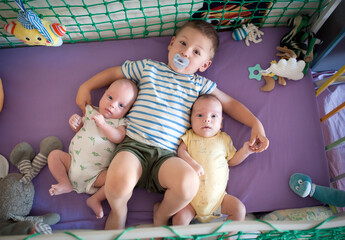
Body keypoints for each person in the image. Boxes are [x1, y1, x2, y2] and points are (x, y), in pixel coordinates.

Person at [75, 20, 269, 230]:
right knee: (117, 184)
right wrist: (87, 86)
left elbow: (229, 103)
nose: (185, 53)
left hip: (167, 156)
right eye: (183, 44)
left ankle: (162, 212)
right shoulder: (149, 68)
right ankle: (119, 210)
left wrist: (255, 124)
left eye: (196, 52)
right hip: (133, 146)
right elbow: (115, 73)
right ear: (171, 44)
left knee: (189, 184)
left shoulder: (199, 85)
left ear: (204, 65)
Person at [48, 79, 138, 218]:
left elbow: (118, 137)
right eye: (109, 97)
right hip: (72, 163)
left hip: (96, 174)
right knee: (54, 155)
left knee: (114, 179)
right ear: (103, 94)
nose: (112, 105)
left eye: (121, 105)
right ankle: (64, 182)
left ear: (127, 111)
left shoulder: (120, 122)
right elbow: (80, 129)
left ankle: (95, 198)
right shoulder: (91, 111)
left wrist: (104, 125)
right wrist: (75, 122)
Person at [173, 94, 255, 226]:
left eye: (213, 116)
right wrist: (192, 164)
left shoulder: (224, 139)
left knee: (239, 209)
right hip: (190, 202)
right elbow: (181, 151)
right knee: (179, 219)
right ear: (191, 120)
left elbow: (232, 161)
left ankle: (228, 236)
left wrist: (245, 151)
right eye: (200, 115)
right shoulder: (189, 136)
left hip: (219, 200)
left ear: (221, 123)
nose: (207, 120)